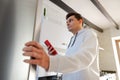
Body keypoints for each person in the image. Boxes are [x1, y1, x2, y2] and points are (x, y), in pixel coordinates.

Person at [23, 12, 100, 80]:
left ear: (80, 21)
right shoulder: (72, 39)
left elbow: (84, 59)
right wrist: (55, 56)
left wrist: (50, 62)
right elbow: (70, 59)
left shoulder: (89, 34)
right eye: (66, 22)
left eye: (70, 20)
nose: (67, 23)